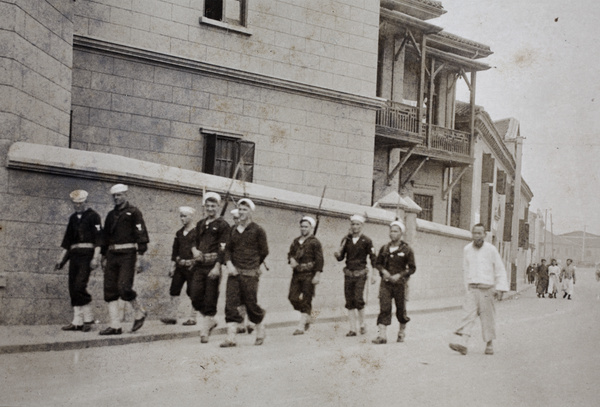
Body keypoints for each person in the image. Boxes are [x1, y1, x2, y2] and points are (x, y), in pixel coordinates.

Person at [449, 223, 508, 356]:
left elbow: (499, 268)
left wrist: (500, 288)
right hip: (472, 289)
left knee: (488, 318)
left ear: (484, 235)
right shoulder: (467, 249)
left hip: (487, 289)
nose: (477, 236)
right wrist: (467, 288)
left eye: (479, 233)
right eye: (474, 233)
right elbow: (466, 269)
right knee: (467, 316)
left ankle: (489, 344)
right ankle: (463, 344)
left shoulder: (491, 249)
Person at [99, 184, 149, 335]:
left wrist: (140, 258)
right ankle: (115, 326)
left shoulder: (134, 212)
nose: (116, 198)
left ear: (125, 195)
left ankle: (139, 311)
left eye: (119, 195)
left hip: (128, 254)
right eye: (114, 195)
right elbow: (105, 237)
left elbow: (141, 236)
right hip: (112, 255)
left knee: (124, 287)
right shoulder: (110, 215)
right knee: (109, 289)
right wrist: (103, 256)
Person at [221, 198, 269, 347]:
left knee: (250, 304)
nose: (241, 212)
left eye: (244, 210)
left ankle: (260, 329)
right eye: (240, 209)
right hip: (234, 274)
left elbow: (264, 251)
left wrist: (253, 265)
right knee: (230, 304)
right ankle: (231, 338)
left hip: (250, 274)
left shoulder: (258, 230)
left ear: (250, 212)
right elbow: (227, 250)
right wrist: (229, 264)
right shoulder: (233, 230)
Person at [56, 190, 103, 332]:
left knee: (79, 286)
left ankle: (88, 319)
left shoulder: (94, 216)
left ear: (86, 202)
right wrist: (61, 260)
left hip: (87, 256)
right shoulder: (72, 218)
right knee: (72, 287)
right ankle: (77, 322)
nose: (78, 206)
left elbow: (99, 238)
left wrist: (96, 258)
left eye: (80, 203)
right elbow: (67, 241)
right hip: (74, 256)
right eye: (75, 204)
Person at [191, 192, 231, 343]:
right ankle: (210, 321)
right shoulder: (201, 223)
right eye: (207, 206)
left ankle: (205, 328)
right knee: (194, 295)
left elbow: (223, 249)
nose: (210, 208)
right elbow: (193, 241)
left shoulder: (223, 225)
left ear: (218, 206)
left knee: (210, 297)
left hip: (213, 265)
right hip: (200, 265)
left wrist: (217, 267)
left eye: (213, 206)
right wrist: (194, 250)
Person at [372, 220, 416, 344]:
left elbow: (412, 268)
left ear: (401, 233)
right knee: (384, 307)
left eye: (396, 231)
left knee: (401, 310)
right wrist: (383, 271)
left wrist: (400, 275)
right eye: (391, 231)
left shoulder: (407, 249)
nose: (393, 234)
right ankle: (382, 336)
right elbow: (378, 263)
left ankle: (401, 332)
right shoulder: (385, 248)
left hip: (400, 284)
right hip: (386, 283)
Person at [334, 214, 376, 336]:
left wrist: (374, 274)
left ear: (361, 226)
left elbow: (373, 258)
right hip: (348, 274)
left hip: (360, 274)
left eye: (357, 224)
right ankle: (353, 329)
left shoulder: (367, 241)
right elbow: (341, 258)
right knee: (349, 301)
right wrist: (337, 255)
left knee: (358, 299)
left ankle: (362, 324)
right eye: (353, 224)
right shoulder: (346, 239)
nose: (355, 226)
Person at [160, 206, 198, 326]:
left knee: (193, 291)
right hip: (180, 266)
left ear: (191, 217)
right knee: (174, 289)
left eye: (185, 216)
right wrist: (172, 266)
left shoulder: (197, 233)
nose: (182, 218)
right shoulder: (179, 233)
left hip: (192, 267)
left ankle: (193, 317)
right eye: (181, 216)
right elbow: (175, 250)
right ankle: (172, 316)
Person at [287, 216, 324, 335]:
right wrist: (291, 259)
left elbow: (319, 260)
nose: (303, 229)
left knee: (306, 299)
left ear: (311, 228)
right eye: (302, 226)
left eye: (306, 227)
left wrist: (317, 275)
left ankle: (301, 326)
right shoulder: (296, 241)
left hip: (309, 274)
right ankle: (307, 314)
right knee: (292, 297)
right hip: (297, 274)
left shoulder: (315, 242)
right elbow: (291, 253)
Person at [231, 208, 254, 335]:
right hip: (235, 269)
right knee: (238, 298)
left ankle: (251, 322)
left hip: (249, 269)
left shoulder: (250, 231)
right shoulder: (232, 232)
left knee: (249, 296)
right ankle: (240, 323)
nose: (237, 220)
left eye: (238, 218)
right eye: (235, 218)